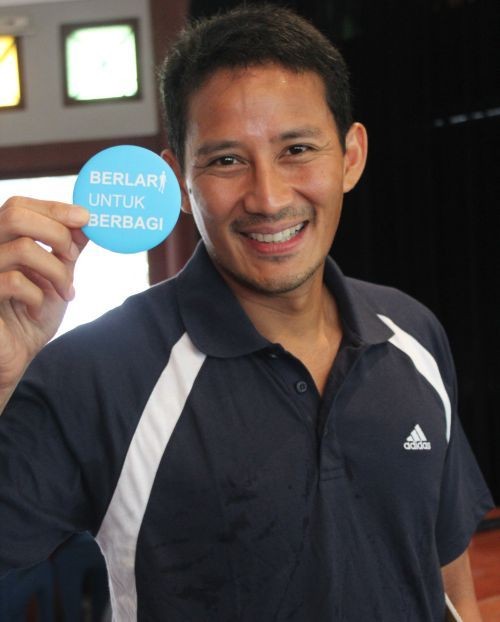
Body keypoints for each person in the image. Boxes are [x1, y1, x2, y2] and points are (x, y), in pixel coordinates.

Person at [0, 4, 493, 621]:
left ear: (351, 156)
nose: (268, 198)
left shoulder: (412, 333)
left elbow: (448, 580)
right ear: (180, 182)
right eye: (226, 160)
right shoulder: (92, 373)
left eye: (297, 149)